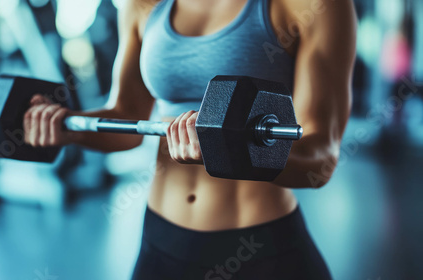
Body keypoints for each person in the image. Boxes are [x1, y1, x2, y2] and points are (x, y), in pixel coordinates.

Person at [23, 0, 356, 278]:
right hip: (162, 239)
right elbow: (126, 116)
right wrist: (69, 126)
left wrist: (231, 150)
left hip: (260, 245)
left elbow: (321, 158)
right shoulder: (144, 5)